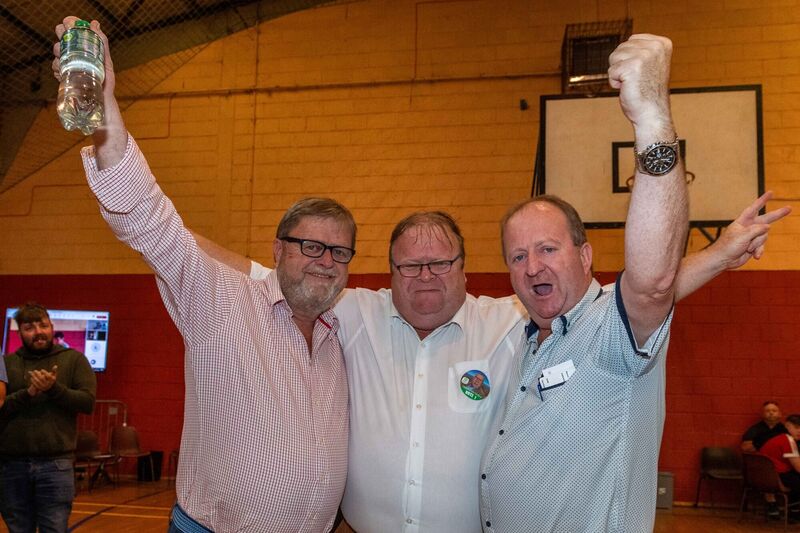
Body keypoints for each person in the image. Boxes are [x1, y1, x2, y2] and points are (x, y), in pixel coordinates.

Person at [54, 17, 355, 532]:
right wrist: (105, 102)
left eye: (340, 252)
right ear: (277, 250)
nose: (326, 261)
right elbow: (145, 214)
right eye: (311, 246)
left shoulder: (343, 333)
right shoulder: (218, 297)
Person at [479, 34, 706, 532]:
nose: (533, 266)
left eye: (547, 248)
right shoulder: (526, 338)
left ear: (585, 255)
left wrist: (651, 119)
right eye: (518, 256)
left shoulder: (609, 331)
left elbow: (653, 281)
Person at [0, 302, 96, 533]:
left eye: (42, 325)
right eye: (29, 328)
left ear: (52, 326)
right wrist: (29, 393)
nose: (38, 332)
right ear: (19, 332)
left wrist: (54, 389)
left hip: (56, 464)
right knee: (18, 528)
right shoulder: (7, 363)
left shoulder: (75, 360)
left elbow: (87, 402)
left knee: (54, 527)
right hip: (11, 465)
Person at [759, 414, 800, 522]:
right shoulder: (788, 441)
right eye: (796, 428)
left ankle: (794, 512)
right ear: (787, 426)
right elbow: (799, 468)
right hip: (776, 478)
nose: (799, 431)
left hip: (764, 477)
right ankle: (794, 513)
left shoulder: (778, 438)